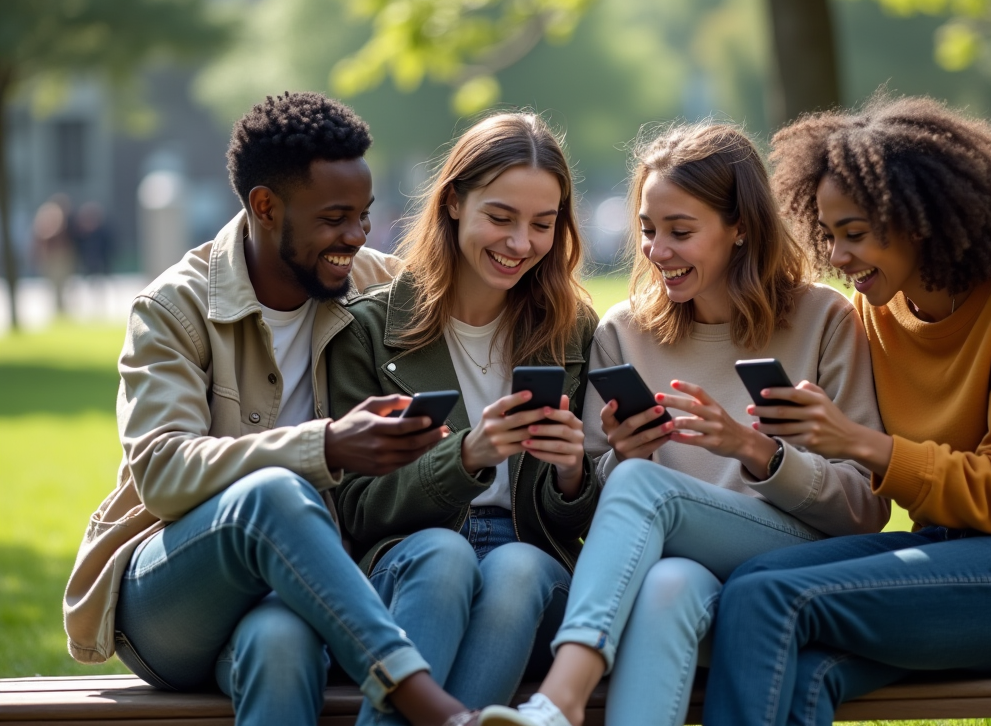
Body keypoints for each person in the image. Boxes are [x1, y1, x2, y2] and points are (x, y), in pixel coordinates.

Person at [701, 95, 991, 726]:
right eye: (828, 236)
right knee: (753, 595)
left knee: (774, 597)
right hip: (946, 554)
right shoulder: (875, 313)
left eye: (854, 234)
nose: (839, 257)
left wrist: (858, 441)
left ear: (922, 219)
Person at [62, 92, 479, 726]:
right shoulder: (175, 307)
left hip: (307, 598)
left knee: (280, 645)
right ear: (265, 207)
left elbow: (488, 303)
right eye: (335, 218)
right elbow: (162, 473)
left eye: (364, 216)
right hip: (177, 593)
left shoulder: (379, 285)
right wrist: (329, 445)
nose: (357, 237)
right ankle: (426, 703)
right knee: (273, 493)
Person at [479, 122, 889, 726]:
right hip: (675, 565)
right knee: (668, 583)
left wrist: (758, 453)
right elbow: (600, 518)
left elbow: (865, 509)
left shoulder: (823, 317)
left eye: (680, 231)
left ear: (740, 227)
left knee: (644, 492)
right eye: (647, 229)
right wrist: (625, 456)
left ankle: (560, 699)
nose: (656, 250)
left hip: (797, 558)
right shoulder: (624, 331)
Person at [325, 112, 600, 722]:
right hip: (408, 561)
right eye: (500, 218)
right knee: (445, 558)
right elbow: (355, 508)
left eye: (542, 224)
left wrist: (573, 473)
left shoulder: (572, 329)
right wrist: (468, 456)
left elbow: (583, 517)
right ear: (453, 202)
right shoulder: (368, 329)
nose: (520, 243)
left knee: (516, 567)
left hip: (531, 561)